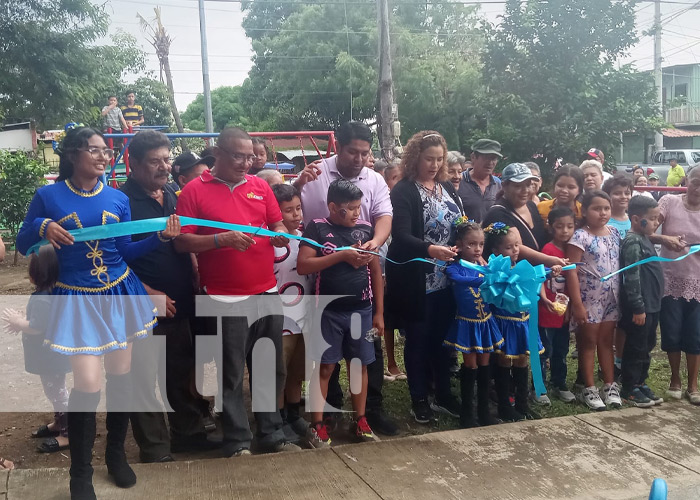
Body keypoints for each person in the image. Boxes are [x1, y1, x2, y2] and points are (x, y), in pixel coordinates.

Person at [16, 126, 180, 499]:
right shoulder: (47, 196)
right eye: (96, 150)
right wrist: (42, 225)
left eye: (107, 152)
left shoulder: (117, 198)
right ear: (74, 153)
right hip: (75, 299)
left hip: (119, 293)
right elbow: (25, 242)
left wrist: (158, 238)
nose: (105, 157)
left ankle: (115, 457)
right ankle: (81, 473)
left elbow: (123, 251)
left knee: (120, 378)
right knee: (88, 384)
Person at [174, 126, 300, 458]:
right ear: (217, 154)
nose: (246, 163)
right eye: (238, 156)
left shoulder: (260, 186)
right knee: (231, 371)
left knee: (269, 365)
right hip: (223, 296)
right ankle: (237, 439)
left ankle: (271, 431)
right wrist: (220, 239)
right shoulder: (193, 191)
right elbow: (182, 240)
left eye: (250, 156)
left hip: (265, 291)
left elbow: (277, 223)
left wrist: (279, 234)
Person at [120, 130, 217, 463]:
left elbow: (182, 240)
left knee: (179, 369)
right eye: (154, 161)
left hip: (179, 300)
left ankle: (188, 435)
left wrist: (194, 267)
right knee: (144, 375)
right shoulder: (122, 203)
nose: (163, 167)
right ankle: (155, 447)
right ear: (133, 164)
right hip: (140, 303)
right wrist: (146, 293)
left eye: (166, 159)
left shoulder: (172, 194)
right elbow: (109, 256)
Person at [294, 121, 396, 436]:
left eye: (366, 153)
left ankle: (365, 415)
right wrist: (298, 183)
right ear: (338, 146)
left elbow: (384, 218)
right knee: (326, 363)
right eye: (354, 152)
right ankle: (322, 419)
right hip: (324, 297)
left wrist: (373, 245)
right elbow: (286, 207)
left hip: (361, 304)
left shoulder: (375, 181)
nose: (360, 159)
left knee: (363, 360)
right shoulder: (315, 174)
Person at [297, 179, 384, 446]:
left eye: (360, 207)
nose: (357, 213)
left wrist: (379, 312)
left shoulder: (366, 229)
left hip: (362, 310)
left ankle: (360, 420)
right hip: (328, 311)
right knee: (325, 367)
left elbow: (375, 272)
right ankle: (317, 424)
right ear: (333, 207)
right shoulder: (317, 228)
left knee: (359, 366)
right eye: (351, 208)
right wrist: (342, 255)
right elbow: (304, 265)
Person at [386, 130, 464, 424]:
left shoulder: (446, 187)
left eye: (439, 159)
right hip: (417, 279)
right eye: (428, 158)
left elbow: (460, 221)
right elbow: (401, 235)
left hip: (447, 278)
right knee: (418, 339)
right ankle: (419, 398)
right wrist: (431, 249)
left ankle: (443, 393)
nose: (434, 164)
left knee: (443, 341)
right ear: (415, 157)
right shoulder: (404, 190)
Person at [2, 246, 72, 453]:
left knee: (58, 393)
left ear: (35, 274)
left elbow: (37, 327)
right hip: (51, 356)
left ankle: (67, 434)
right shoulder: (50, 293)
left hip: (50, 358)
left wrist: (19, 322)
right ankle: (59, 424)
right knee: (54, 391)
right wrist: (23, 320)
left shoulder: (43, 297)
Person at [483, 223, 547, 421]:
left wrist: (552, 269)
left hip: (523, 323)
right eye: (509, 247)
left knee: (522, 360)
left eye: (517, 246)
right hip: (504, 324)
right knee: (504, 360)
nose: (515, 250)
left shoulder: (522, 267)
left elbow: (538, 280)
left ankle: (522, 404)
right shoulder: (493, 270)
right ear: (496, 250)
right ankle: (504, 405)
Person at [565, 190, 621, 411]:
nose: (603, 213)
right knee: (588, 342)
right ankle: (588, 387)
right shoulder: (580, 236)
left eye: (606, 208)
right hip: (589, 299)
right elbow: (571, 271)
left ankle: (609, 385)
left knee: (607, 342)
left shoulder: (614, 232)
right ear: (585, 210)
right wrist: (577, 304)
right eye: (597, 209)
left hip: (612, 298)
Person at [443, 220, 502, 427]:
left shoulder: (486, 267)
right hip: (467, 324)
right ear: (459, 244)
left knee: (485, 365)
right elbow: (457, 279)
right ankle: (467, 414)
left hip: (485, 323)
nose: (477, 249)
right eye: (471, 244)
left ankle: (484, 412)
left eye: (480, 244)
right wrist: (485, 279)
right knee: (470, 365)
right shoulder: (455, 267)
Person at [270, 183, 312, 439]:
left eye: (298, 208)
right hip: (279, 316)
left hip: (305, 314)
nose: (297, 215)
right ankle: (277, 418)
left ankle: (294, 414)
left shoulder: (307, 235)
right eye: (289, 210)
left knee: (297, 369)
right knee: (278, 370)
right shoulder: (268, 240)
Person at [658, 166, 700, 404]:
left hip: (698, 283)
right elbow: (647, 229)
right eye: (695, 182)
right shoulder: (669, 201)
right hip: (670, 279)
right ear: (686, 180)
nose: (698, 188)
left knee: (695, 335)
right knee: (672, 332)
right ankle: (675, 379)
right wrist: (664, 238)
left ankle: (693, 385)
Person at [619, 196, 664, 407]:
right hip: (640, 307)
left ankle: (640, 381)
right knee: (636, 346)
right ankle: (629, 387)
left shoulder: (645, 238)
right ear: (636, 219)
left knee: (647, 345)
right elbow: (632, 276)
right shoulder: (633, 242)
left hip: (652, 305)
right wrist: (638, 307)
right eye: (653, 218)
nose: (656, 223)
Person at [483, 163, 567, 267]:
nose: (525, 190)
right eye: (518, 186)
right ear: (504, 185)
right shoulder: (497, 213)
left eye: (528, 185)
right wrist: (549, 260)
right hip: (513, 277)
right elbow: (518, 248)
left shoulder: (531, 206)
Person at [538, 207, 576, 403]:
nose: (565, 231)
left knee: (561, 350)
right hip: (546, 311)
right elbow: (542, 281)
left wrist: (569, 307)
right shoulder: (547, 251)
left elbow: (572, 284)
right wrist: (546, 303)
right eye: (560, 226)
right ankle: (539, 386)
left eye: (570, 226)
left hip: (563, 312)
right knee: (545, 349)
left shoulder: (573, 250)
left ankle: (559, 383)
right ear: (551, 227)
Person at [457, 139, 502, 223]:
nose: (490, 162)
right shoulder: (458, 181)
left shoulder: (498, 184)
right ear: (473, 157)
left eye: (494, 158)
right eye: (486, 158)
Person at [602, 173, 633, 239]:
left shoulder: (633, 220)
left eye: (627, 193)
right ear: (607, 196)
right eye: (617, 193)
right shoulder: (603, 221)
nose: (623, 197)